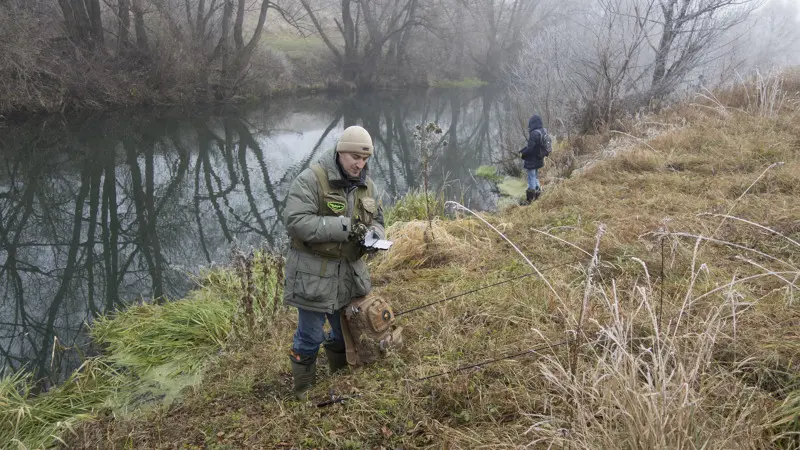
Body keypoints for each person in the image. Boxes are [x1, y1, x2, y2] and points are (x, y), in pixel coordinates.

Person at [282, 125, 386, 399]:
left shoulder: (368, 186)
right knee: (310, 336)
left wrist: (374, 235)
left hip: (348, 275)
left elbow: (378, 220)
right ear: (341, 153)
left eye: (364, 159)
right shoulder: (312, 180)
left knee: (345, 332)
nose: (359, 164)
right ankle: (303, 390)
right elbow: (295, 222)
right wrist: (344, 227)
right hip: (313, 274)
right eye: (354, 157)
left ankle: (337, 376)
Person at [520, 114, 545, 204]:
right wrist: (523, 150)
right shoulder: (542, 131)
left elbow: (530, 149)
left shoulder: (533, 133)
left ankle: (530, 199)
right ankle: (538, 194)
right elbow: (534, 147)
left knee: (531, 178)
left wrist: (523, 154)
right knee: (535, 177)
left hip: (532, 161)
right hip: (539, 159)